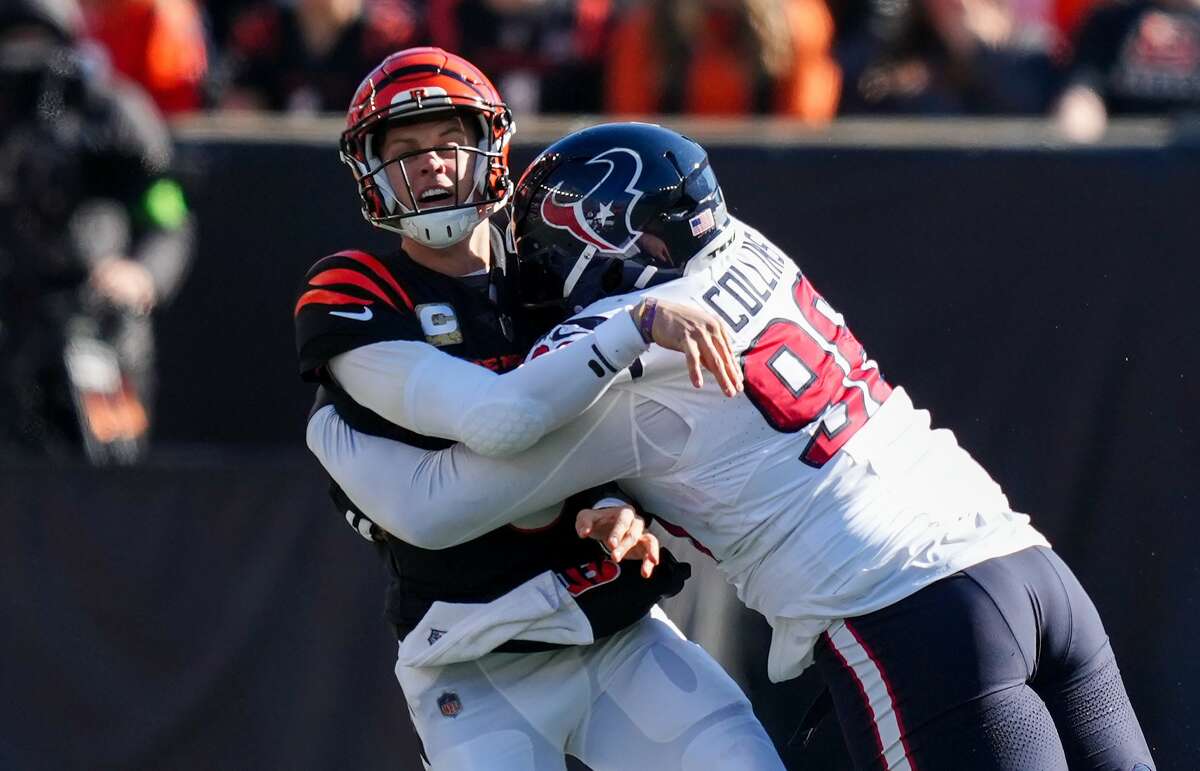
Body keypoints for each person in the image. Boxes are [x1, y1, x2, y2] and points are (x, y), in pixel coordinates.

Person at [310, 122, 1157, 770]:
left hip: (910, 617)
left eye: (543, 249)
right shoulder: (750, 246)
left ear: (593, 237)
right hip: (1027, 565)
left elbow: (447, 501)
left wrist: (334, 435)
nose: (535, 269)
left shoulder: (627, 352)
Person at [294, 48, 783, 770]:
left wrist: (616, 499)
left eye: (448, 143)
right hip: (473, 653)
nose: (431, 164)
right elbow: (489, 420)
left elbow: (620, 422)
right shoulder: (357, 285)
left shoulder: (555, 266)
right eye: (405, 150)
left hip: (612, 626)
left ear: (490, 147)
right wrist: (633, 329)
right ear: (370, 170)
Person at [0, 0, 194, 463]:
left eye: (39, 43)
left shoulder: (110, 111)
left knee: (108, 486)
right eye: (14, 44)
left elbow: (168, 214)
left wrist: (142, 274)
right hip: (10, 326)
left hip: (96, 329)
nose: (27, 59)